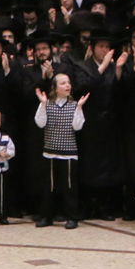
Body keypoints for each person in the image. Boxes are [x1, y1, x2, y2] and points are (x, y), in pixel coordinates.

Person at [33, 71, 86, 229]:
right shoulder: (46, 103)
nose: (67, 85)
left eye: (68, 82)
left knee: (69, 187)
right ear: (55, 88)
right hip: (50, 152)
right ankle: (46, 217)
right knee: (48, 187)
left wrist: (80, 108)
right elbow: (40, 123)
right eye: (63, 83)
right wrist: (42, 104)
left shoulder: (74, 105)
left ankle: (72, 217)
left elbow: (78, 126)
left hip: (69, 153)